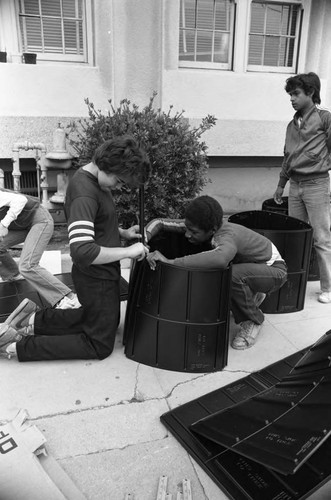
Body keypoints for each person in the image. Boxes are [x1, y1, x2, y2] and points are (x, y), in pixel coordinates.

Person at [0, 136, 150, 361]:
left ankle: (32, 320)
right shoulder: (85, 192)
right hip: (96, 277)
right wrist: (128, 252)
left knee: (92, 318)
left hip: (101, 274)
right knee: (100, 344)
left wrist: (122, 233)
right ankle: (16, 345)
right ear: (106, 165)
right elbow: (82, 250)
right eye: (119, 181)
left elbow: (95, 220)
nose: (119, 187)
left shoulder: (93, 181)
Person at [146, 196, 287, 350]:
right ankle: (252, 296)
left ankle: (253, 321)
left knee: (232, 276)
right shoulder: (201, 225)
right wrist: (144, 239)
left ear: (212, 229)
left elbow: (220, 260)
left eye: (193, 232)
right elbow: (159, 223)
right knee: (230, 274)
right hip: (254, 267)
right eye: (186, 228)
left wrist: (170, 262)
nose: (187, 234)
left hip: (275, 271)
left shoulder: (226, 236)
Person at [273, 72, 331, 304]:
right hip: (295, 186)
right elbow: (287, 156)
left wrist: (320, 162)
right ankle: (294, 281)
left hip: (317, 184)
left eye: (296, 93)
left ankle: (327, 287)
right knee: (297, 237)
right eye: (290, 94)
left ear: (311, 93)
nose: (292, 98)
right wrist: (281, 185)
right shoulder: (291, 124)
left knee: (321, 238)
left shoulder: (325, 118)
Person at [0, 188, 80, 309]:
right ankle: (14, 276)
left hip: (41, 221)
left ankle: (68, 297)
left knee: (27, 265)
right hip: (23, 226)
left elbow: (20, 200)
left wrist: (3, 224)